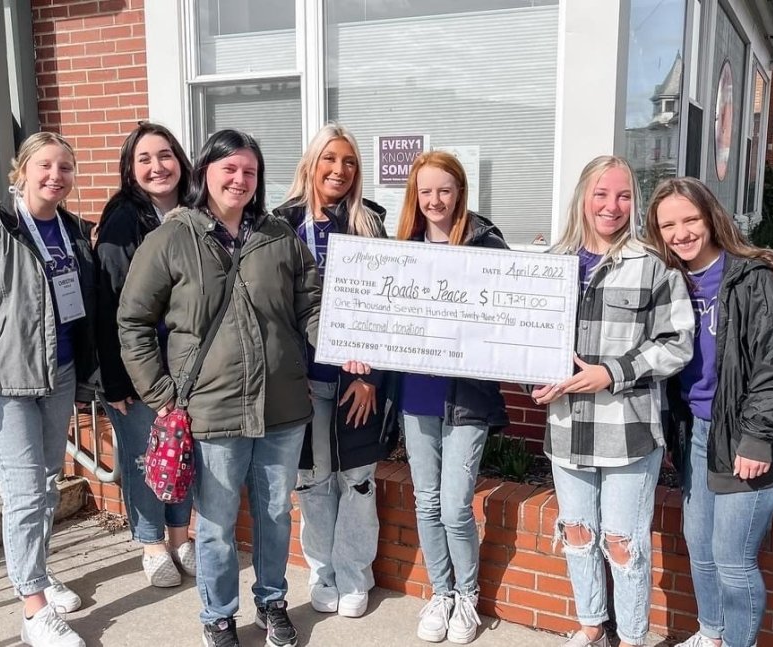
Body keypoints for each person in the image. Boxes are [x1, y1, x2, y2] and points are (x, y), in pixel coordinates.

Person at [117, 129, 322, 647]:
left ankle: (272, 602)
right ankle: (218, 614)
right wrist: (160, 394)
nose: (240, 179)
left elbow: (311, 306)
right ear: (204, 171)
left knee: (276, 515)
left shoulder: (280, 236)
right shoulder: (171, 237)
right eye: (229, 168)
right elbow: (134, 321)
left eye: (249, 171)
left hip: (281, 406)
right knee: (216, 523)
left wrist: (345, 346)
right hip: (210, 409)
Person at [530, 156, 694, 647]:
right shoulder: (552, 263)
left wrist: (612, 372)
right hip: (565, 425)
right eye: (601, 194)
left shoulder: (654, 265)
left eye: (623, 195)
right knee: (578, 533)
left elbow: (678, 342)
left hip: (628, 429)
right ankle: (592, 626)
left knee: (624, 544)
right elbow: (528, 341)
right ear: (583, 196)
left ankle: (633, 637)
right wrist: (533, 381)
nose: (612, 206)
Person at [645, 177, 773, 647]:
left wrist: (757, 438)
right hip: (698, 431)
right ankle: (712, 634)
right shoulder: (669, 280)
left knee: (732, 559)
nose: (681, 233)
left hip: (750, 435)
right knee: (699, 546)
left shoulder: (752, 276)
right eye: (668, 224)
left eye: (690, 219)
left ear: (711, 217)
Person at [0, 132, 97, 647]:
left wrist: (82, 379)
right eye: (45, 166)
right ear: (22, 171)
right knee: (25, 493)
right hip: (4, 387)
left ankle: (34, 571)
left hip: (56, 379)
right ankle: (34, 611)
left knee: (48, 486)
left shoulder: (73, 230)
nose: (56, 176)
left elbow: (80, 313)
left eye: (65, 167)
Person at [273, 124, 398, 619]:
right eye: (330, 159)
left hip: (356, 380)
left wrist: (369, 378)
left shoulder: (370, 224)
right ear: (311, 163)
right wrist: (286, 374)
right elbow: (271, 310)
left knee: (358, 480)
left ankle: (355, 575)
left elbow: (386, 308)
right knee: (314, 480)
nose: (339, 171)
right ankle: (322, 572)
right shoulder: (279, 225)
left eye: (349, 162)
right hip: (302, 380)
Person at [395, 151, 509, 644]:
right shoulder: (403, 248)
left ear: (460, 191)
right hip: (418, 392)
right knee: (426, 501)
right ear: (415, 198)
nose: (435, 200)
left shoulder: (487, 244)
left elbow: (508, 316)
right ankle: (440, 593)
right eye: (426, 192)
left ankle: (468, 596)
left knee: (455, 506)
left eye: (444, 190)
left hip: (468, 396)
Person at [94, 122, 196, 587]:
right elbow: (108, 304)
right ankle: (152, 544)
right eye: (145, 159)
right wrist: (115, 381)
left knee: (181, 453)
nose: (158, 167)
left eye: (165, 155)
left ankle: (181, 537)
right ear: (131, 170)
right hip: (138, 370)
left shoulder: (197, 212)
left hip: (188, 367)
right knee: (143, 456)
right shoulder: (123, 220)